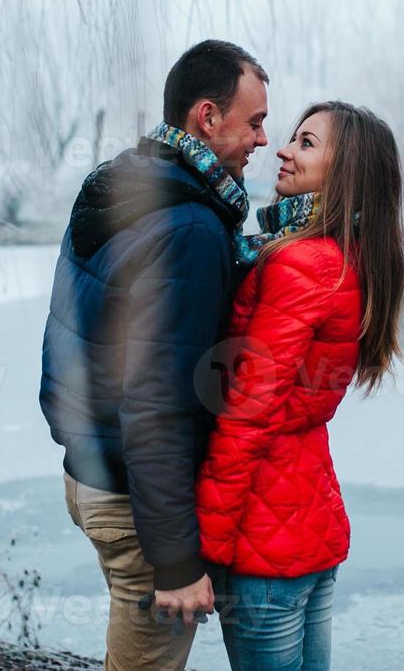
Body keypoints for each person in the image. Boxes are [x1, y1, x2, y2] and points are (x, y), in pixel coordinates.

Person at [40, 39, 269, 670]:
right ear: (207, 117)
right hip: (139, 503)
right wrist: (174, 563)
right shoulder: (191, 228)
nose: (262, 140)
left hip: (90, 472)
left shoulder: (126, 185)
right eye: (254, 122)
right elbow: (159, 403)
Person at [196, 100, 404, 671]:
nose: (284, 150)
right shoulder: (351, 257)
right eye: (294, 138)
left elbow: (248, 412)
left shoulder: (302, 264)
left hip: (263, 540)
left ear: (347, 174)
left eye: (308, 144)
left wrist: (206, 549)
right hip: (308, 522)